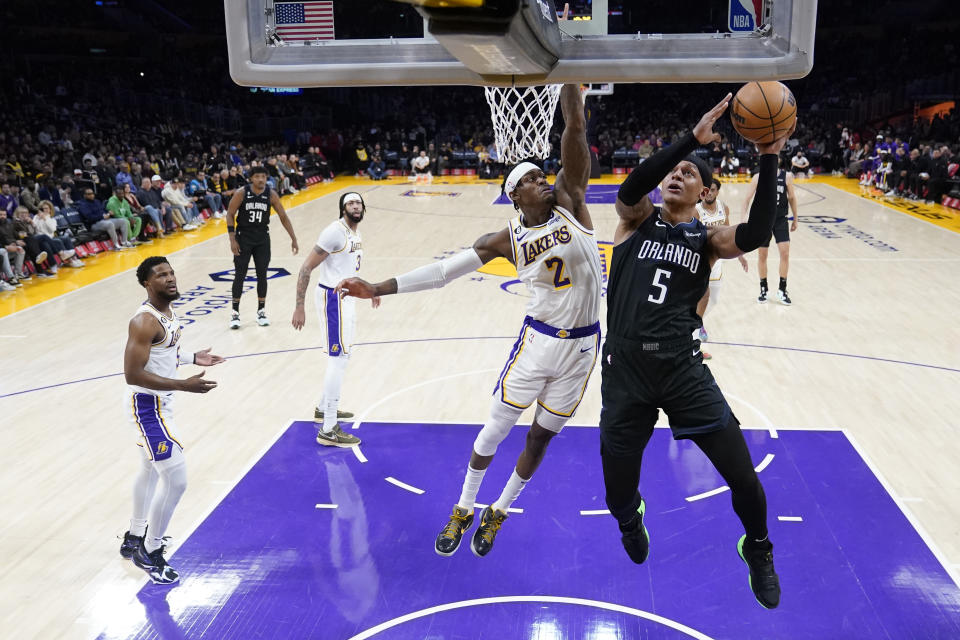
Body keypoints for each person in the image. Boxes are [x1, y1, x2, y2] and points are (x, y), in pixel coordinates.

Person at [338, 84, 601, 559]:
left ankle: (498, 510)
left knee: (541, 437)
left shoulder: (572, 202)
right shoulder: (502, 239)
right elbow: (441, 274)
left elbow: (575, 129)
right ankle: (463, 506)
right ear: (514, 195)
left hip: (583, 349)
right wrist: (376, 287)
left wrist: (570, 82)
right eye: (532, 179)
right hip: (538, 342)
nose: (544, 180)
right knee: (495, 432)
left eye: (544, 175)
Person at [600, 94, 792, 609]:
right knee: (615, 491)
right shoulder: (635, 220)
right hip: (626, 370)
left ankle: (758, 546)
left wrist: (770, 154)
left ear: (705, 191)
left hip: (682, 368)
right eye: (674, 170)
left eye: (689, 172)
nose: (676, 175)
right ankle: (628, 517)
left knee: (744, 479)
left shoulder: (706, 239)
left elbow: (754, 232)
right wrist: (691, 139)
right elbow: (631, 186)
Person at [119, 256, 224, 584]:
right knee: (176, 479)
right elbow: (132, 373)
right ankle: (150, 552)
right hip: (148, 408)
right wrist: (184, 383)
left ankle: (135, 536)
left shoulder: (166, 313)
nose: (170, 278)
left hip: (161, 404)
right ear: (147, 284)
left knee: (150, 470)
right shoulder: (144, 322)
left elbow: (163, 352)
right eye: (161, 275)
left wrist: (194, 358)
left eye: (171, 272)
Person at [291, 192, 377, 447]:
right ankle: (328, 429)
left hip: (346, 298)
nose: (355, 206)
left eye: (359, 203)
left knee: (343, 356)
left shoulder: (354, 232)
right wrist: (299, 307)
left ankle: (323, 408)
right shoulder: (334, 232)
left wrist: (369, 289)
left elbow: (349, 270)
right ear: (342, 208)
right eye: (350, 203)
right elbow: (306, 267)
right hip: (333, 300)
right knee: (337, 359)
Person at [226, 166, 299, 328]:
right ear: (251, 178)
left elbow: (283, 216)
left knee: (262, 275)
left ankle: (261, 311)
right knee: (240, 274)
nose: (261, 179)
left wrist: (293, 238)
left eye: (263, 177)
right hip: (243, 237)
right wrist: (232, 239)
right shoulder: (242, 193)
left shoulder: (271, 194)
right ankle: (235, 313)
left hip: (262, 239)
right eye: (257, 176)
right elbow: (230, 214)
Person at [692, 179, 747, 358]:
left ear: (717, 191)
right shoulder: (697, 210)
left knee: (713, 300)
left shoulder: (724, 208)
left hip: (717, 260)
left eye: (713, 190)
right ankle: (692, 341)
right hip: (700, 260)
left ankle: (697, 322)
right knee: (700, 298)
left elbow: (729, 232)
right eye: (707, 190)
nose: (709, 193)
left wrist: (739, 254)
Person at [742, 156, 799, 304]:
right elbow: (746, 199)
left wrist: (796, 218)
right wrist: (743, 218)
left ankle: (782, 289)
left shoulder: (787, 176)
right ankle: (764, 289)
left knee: (785, 253)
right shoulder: (758, 177)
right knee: (762, 255)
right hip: (763, 221)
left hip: (781, 220)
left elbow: (792, 198)